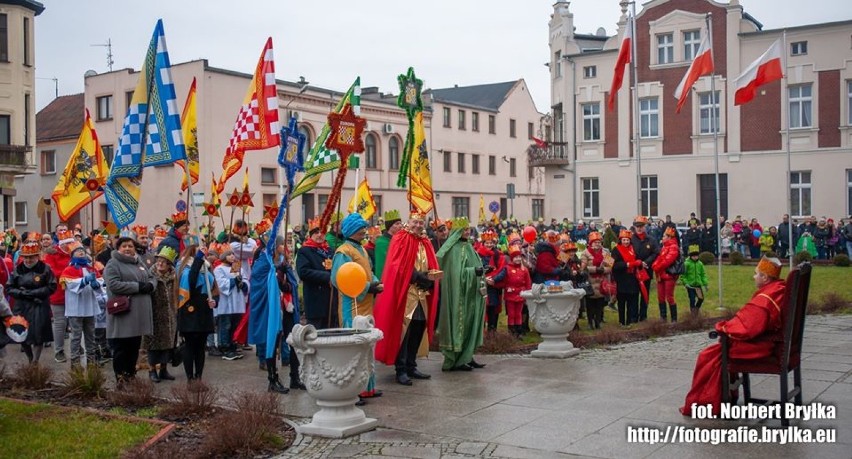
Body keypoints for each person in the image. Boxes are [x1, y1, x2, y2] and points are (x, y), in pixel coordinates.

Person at [680, 257, 786, 416]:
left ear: (765, 278)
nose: (753, 277)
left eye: (756, 274)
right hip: (774, 342)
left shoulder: (765, 299)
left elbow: (747, 327)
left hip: (763, 346)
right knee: (713, 353)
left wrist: (723, 327)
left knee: (707, 356)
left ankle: (706, 404)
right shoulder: (778, 289)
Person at [374, 211, 440, 386]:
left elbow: (431, 264)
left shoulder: (425, 242)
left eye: (421, 223)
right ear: (408, 222)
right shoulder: (400, 239)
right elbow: (397, 265)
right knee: (404, 331)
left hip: (422, 294)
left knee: (418, 328)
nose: (418, 225)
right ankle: (401, 368)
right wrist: (417, 276)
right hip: (406, 292)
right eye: (415, 222)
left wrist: (430, 279)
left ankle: (411, 365)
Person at [331, 213, 383, 399]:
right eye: (361, 228)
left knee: (367, 346)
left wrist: (376, 283)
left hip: (366, 305)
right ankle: (353, 391)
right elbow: (339, 279)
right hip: (351, 306)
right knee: (354, 346)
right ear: (353, 230)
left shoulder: (360, 250)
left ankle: (367, 387)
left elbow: (368, 272)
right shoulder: (343, 252)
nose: (364, 231)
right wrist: (368, 287)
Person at [104, 236, 157, 385]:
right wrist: (138, 287)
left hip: (138, 315)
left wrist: (151, 285)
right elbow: (113, 284)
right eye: (124, 246)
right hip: (123, 314)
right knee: (121, 350)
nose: (128, 249)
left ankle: (131, 378)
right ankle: (121, 380)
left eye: (131, 246)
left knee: (134, 349)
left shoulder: (139, 262)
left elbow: (151, 277)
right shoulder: (113, 264)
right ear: (118, 249)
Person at [436, 218, 487, 370]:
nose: (467, 232)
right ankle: (457, 359)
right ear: (457, 232)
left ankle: (467, 355)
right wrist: (474, 272)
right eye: (464, 230)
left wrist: (483, 270)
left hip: (471, 294)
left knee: (470, 324)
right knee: (461, 324)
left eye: (468, 230)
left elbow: (473, 266)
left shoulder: (469, 246)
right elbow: (456, 275)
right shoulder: (454, 249)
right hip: (460, 296)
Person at [8, 238, 57, 364]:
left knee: (39, 334)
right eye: (26, 257)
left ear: (37, 256)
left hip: (39, 305)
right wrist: (22, 293)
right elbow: (9, 287)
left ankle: (35, 361)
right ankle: (30, 358)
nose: (28, 260)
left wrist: (35, 293)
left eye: (31, 257)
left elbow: (52, 286)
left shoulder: (45, 269)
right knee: (21, 334)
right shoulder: (18, 269)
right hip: (21, 306)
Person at [176, 244, 216, 382]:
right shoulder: (183, 266)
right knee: (190, 346)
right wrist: (198, 260)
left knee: (200, 347)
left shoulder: (206, 267)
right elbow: (191, 282)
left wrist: (213, 301)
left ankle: (198, 378)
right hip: (190, 311)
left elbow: (213, 288)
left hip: (204, 310)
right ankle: (190, 378)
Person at [61, 245, 105, 367]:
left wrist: (97, 284)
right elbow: (70, 284)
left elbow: (101, 283)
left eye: (83, 251)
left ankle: (91, 359)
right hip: (76, 308)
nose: (81, 252)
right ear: (72, 255)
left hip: (90, 307)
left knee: (91, 335)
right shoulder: (68, 270)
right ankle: (75, 362)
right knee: (76, 336)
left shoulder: (92, 268)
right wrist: (84, 281)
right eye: (78, 251)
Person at [144, 246, 179, 382]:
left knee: (167, 344)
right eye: (158, 260)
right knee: (152, 344)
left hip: (169, 314)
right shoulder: (150, 274)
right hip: (154, 313)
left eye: (164, 261)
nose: (160, 263)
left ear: (169, 264)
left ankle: (163, 369)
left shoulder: (173, 275)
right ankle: (152, 370)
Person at [296, 218, 338, 329]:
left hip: (331, 300)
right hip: (315, 302)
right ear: (311, 235)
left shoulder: (330, 251)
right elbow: (303, 272)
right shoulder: (304, 251)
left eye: (322, 232)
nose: (319, 235)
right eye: (316, 232)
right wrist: (326, 277)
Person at [43, 229, 75, 363]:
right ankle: (59, 350)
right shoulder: (52, 255)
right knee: (60, 323)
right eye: (66, 244)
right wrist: (69, 271)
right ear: (61, 244)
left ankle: (76, 346)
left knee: (75, 323)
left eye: (71, 244)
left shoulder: (75, 254)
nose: (69, 247)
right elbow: (51, 272)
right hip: (58, 293)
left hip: (74, 294)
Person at [213, 249, 247, 360]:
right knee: (225, 325)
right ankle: (225, 347)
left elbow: (246, 280)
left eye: (233, 254)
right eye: (229, 254)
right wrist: (233, 281)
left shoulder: (238, 268)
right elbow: (220, 284)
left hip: (237, 302)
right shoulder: (219, 269)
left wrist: (243, 284)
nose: (232, 256)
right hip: (226, 303)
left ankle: (233, 345)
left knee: (234, 325)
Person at [579, 231, 611, 330]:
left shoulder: (606, 253)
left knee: (600, 304)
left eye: (599, 242)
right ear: (591, 243)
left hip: (602, 282)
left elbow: (610, 266)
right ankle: (590, 322)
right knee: (590, 304)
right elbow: (583, 268)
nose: (597, 244)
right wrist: (595, 269)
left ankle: (598, 322)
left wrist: (604, 270)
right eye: (595, 242)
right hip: (590, 282)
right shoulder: (585, 253)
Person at [631, 216, 659, 322]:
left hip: (646, 270)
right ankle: (634, 316)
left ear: (645, 226)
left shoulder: (651, 239)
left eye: (641, 226)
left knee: (645, 293)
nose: (639, 228)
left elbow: (656, 252)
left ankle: (643, 315)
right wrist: (636, 262)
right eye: (637, 226)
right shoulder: (631, 239)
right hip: (634, 270)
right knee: (634, 294)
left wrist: (646, 262)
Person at [478, 229, 507, 332]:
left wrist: (493, 279)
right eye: (487, 242)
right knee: (480, 310)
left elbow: (503, 270)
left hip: (494, 287)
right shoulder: (478, 255)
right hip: (481, 286)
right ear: (483, 243)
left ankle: (492, 332)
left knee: (493, 310)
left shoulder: (498, 255)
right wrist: (484, 279)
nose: (489, 244)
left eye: (491, 242)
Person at [611, 230, 641, 326]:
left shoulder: (633, 249)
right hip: (621, 279)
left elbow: (637, 260)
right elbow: (614, 265)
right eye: (624, 240)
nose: (626, 242)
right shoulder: (615, 250)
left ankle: (629, 321)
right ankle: (621, 321)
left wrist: (639, 263)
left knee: (630, 301)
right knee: (621, 302)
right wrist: (628, 264)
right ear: (620, 240)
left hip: (632, 279)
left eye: (627, 240)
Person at [651, 227, 681, 322]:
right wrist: (655, 265)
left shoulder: (674, 247)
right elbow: (660, 258)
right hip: (661, 275)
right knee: (660, 297)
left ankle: (674, 319)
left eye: (664, 236)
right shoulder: (664, 246)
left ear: (669, 237)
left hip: (669, 275)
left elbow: (668, 260)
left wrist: (657, 267)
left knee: (669, 297)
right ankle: (663, 317)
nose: (662, 237)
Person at [502, 245, 532, 338]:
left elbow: (528, 282)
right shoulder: (508, 268)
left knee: (518, 313)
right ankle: (512, 331)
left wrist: (528, 293)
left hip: (521, 294)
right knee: (511, 313)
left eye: (519, 257)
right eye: (516, 257)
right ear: (512, 259)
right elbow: (504, 280)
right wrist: (507, 287)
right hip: (510, 294)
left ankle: (519, 331)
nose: (518, 259)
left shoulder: (524, 269)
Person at [374, 209, 402, 279]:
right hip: (387, 278)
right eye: (397, 224)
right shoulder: (381, 242)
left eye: (400, 223)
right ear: (390, 226)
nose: (400, 226)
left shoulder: (399, 240)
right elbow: (381, 265)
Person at [682, 244, 708, 315]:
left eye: (696, 256)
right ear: (690, 256)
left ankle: (696, 309)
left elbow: (703, 274)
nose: (695, 257)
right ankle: (693, 313)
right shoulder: (686, 264)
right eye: (693, 256)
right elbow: (683, 275)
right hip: (690, 286)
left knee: (701, 298)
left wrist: (705, 284)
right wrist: (685, 283)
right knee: (692, 299)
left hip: (698, 285)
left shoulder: (700, 264)